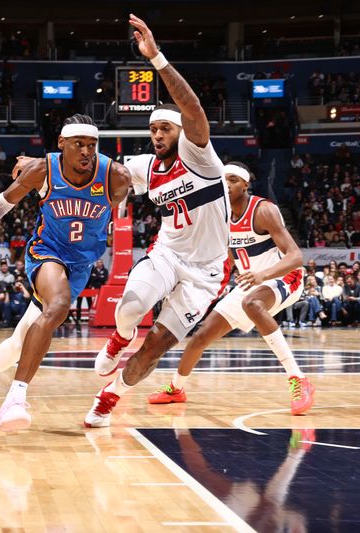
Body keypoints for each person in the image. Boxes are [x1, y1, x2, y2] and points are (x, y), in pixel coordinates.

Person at [0, 112, 132, 432]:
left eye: (91, 145)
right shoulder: (43, 169)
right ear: (62, 144)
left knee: (19, 344)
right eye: (78, 145)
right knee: (57, 306)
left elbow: (139, 180)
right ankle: (15, 399)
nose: (86, 151)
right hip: (46, 252)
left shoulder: (115, 176)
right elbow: (4, 203)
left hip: (81, 264)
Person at [85, 15, 231, 427]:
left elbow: (193, 107)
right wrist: (45, 167)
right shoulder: (146, 167)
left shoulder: (199, 155)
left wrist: (156, 58)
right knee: (129, 310)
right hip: (167, 254)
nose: (157, 135)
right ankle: (118, 339)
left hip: (206, 273)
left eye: (165, 128)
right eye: (153, 130)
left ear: (180, 131)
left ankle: (110, 396)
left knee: (155, 348)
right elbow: (101, 172)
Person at [143, 163, 314, 417]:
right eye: (223, 180)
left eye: (233, 180)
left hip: (284, 277)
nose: (227, 184)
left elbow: (296, 256)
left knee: (253, 304)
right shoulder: (219, 217)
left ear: (246, 184)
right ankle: (176, 389)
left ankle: (298, 378)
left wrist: (262, 275)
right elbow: (230, 259)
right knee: (201, 336)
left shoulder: (263, 210)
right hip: (251, 283)